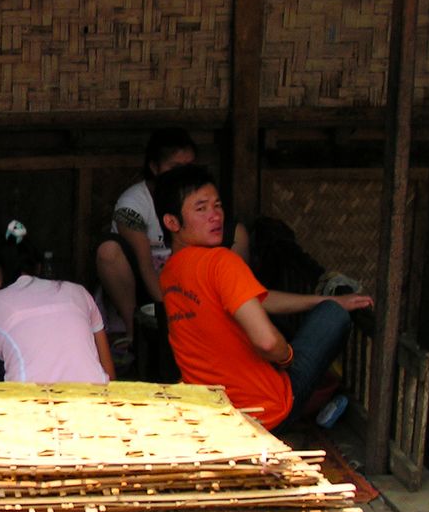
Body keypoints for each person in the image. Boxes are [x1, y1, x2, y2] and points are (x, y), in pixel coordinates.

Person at [154, 164, 373, 432]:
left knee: (326, 309)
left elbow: (256, 299)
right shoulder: (221, 262)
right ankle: (311, 407)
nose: (215, 216)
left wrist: (319, 300)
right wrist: (286, 358)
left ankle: (316, 405)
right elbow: (268, 342)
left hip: (217, 419)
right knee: (333, 317)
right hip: (266, 413)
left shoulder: (170, 273)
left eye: (218, 205)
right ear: (172, 222)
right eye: (201, 209)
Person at [95, 128, 249, 349]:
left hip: (194, 280)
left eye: (189, 166)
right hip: (146, 286)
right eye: (175, 168)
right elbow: (146, 264)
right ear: (154, 167)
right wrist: (173, 315)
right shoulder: (134, 204)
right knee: (108, 250)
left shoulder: (197, 197)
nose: (183, 174)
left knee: (238, 232)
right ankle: (133, 334)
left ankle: (234, 317)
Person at [0, 220, 114, 384]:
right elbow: (110, 379)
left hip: (30, 408)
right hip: (95, 406)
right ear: (38, 267)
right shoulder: (79, 293)